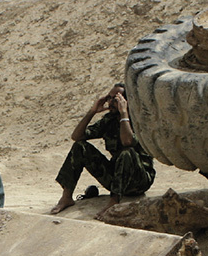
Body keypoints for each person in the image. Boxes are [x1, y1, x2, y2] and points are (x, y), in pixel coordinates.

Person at [50, 83, 155, 215]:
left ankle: (114, 201)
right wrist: (92, 111)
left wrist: (124, 113)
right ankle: (66, 197)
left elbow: (127, 141)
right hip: (117, 178)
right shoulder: (109, 120)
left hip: (139, 180)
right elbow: (77, 136)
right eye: (109, 98)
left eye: (115, 99)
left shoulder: (139, 121)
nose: (110, 103)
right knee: (80, 146)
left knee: (127, 152)